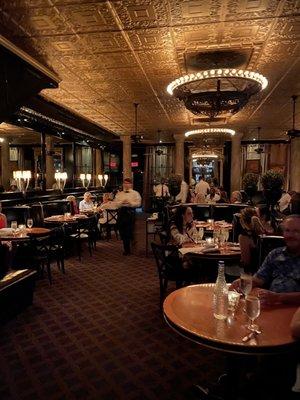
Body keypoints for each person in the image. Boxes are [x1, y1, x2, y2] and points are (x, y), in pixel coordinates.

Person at [231, 214, 300, 305]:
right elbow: (259, 279)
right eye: (287, 230)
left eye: (296, 231)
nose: (290, 235)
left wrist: (279, 297)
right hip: (273, 308)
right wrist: (244, 282)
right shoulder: (275, 254)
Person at [114, 178, 141, 255]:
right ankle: (127, 247)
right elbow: (116, 204)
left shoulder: (135, 193)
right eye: (125, 183)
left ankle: (128, 249)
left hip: (130, 212)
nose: (126, 185)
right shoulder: (119, 194)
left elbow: (138, 204)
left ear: (131, 184)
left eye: (128, 183)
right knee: (122, 231)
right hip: (121, 212)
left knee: (129, 231)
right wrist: (122, 202)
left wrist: (130, 203)